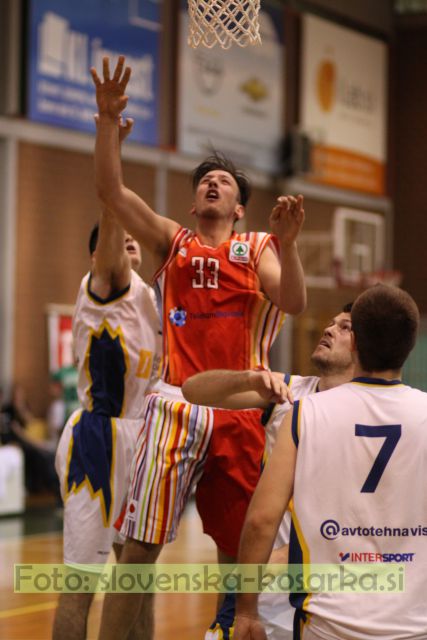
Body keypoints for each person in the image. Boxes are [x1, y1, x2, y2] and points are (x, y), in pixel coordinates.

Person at [91, 55, 307, 640]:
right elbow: (111, 190)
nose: (213, 183)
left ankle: (227, 629)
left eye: (225, 182)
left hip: (242, 408)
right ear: (193, 203)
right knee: (138, 550)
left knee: (237, 549)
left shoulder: (258, 245)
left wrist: (288, 246)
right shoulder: (172, 240)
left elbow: (293, 301)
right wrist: (108, 121)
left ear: (239, 208)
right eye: (204, 181)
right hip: (175, 405)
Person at [234, 284, 427, 640]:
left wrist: (246, 609)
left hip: (326, 625)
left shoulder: (305, 412)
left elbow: (262, 520)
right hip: (414, 626)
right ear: (410, 346)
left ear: (356, 343)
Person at [182, 304, 354, 640]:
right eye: (331, 322)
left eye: (345, 326)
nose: (329, 329)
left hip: (327, 588)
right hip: (263, 583)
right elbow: (191, 390)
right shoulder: (286, 392)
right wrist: (247, 377)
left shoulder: (373, 413)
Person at [52, 119, 160, 640]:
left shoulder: (150, 298)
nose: (129, 246)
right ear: (100, 256)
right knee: (82, 585)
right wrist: (112, 145)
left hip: (143, 442)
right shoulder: (104, 281)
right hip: (99, 440)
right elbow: (112, 211)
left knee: (137, 582)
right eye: (121, 241)